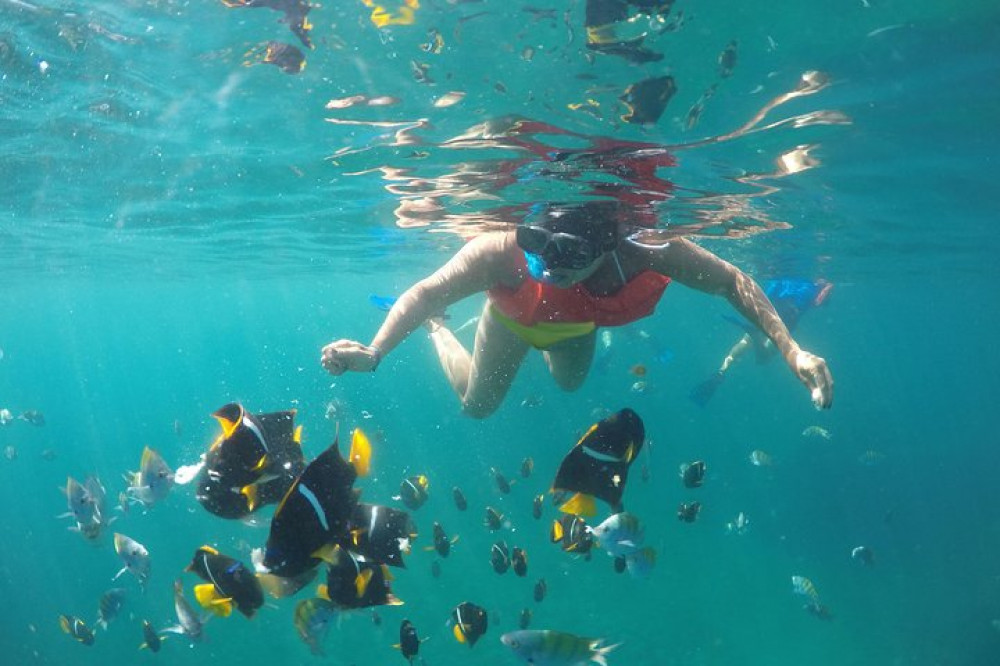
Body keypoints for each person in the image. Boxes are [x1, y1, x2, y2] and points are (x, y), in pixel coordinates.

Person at [320, 201, 833, 419]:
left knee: (568, 386)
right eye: (543, 255)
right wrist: (375, 350)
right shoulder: (502, 250)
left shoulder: (645, 248)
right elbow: (427, 292)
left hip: (575, 327)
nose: (553, 268)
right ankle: (442, 334)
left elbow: (731, 280)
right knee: (477, 407)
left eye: (571, 262)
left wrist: (792, 351)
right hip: (511, 320)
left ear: (608, 247)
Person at [689, 277, 833, 406]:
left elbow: (770, 289)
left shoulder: (786, 275)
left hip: (768, 306)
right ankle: (756, 337)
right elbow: (818, 301)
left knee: (745, 342)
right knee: (764, 358)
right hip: (789, 315)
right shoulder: (813, 286)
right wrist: (826, 287)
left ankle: (721, 371)